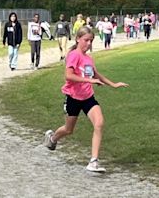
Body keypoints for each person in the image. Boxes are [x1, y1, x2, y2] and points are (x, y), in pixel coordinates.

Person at [44, 26, 130, 172]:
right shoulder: (73, 55)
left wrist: (113, 84)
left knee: (99, 123)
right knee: (68, 130)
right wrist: (89, 81)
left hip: (88, 97)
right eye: (86, 40)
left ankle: (93, 161)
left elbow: (96, 75)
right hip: (73, 98)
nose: (89, 43)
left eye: (91, 41)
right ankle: (52, 138)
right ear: (78, 39)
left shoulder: (88, 58)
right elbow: (68, 76)